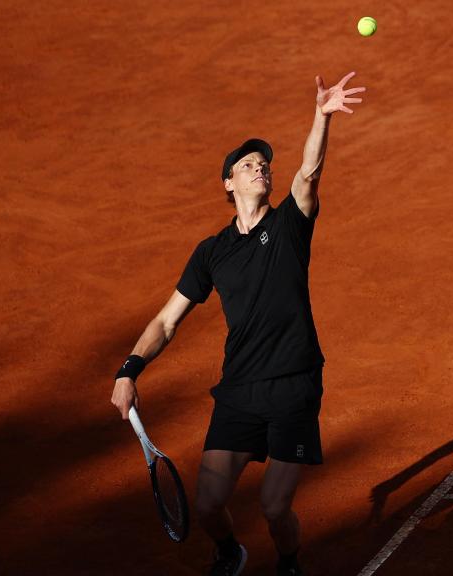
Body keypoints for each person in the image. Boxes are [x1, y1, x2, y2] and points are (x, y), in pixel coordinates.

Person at [111, 72, 365, 576]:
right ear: (229, 183)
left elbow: (309, 174)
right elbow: (166, 321)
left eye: (264, 164)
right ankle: (230, 552)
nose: (260, 168)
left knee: (273, 508)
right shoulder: (212, 252)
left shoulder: (290, 224)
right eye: (248, 165)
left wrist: (322, 114)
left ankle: (289, 562)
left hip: (294, 383)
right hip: (240, 389)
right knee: (207, 506)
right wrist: (128, 369)